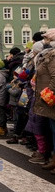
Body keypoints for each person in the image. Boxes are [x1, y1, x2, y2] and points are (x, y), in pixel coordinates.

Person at [33, 29, 55, 172]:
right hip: (46, 98)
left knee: (54, 129)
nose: (44, 40)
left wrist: (48, 93)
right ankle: (53, 158)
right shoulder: (47, 55)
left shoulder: (52, 55)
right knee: (52, 129)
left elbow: (54, 76)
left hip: (50, 99)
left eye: (46, 38)